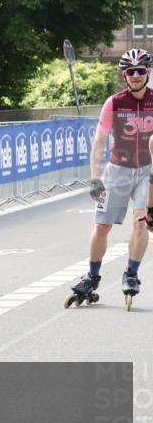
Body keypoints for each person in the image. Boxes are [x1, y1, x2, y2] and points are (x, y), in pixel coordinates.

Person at [66, 49, 153, 311]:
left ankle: (131, 273)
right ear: (124, 75)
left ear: (147, 73)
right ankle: (92, 277)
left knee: (141, 222)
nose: (136, 76)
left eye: (141, 71)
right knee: (102, 226)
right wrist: (95, 178)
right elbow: (99, 143)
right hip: (117, 171)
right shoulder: (114, 103)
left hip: (147, 171)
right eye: (131, 72)